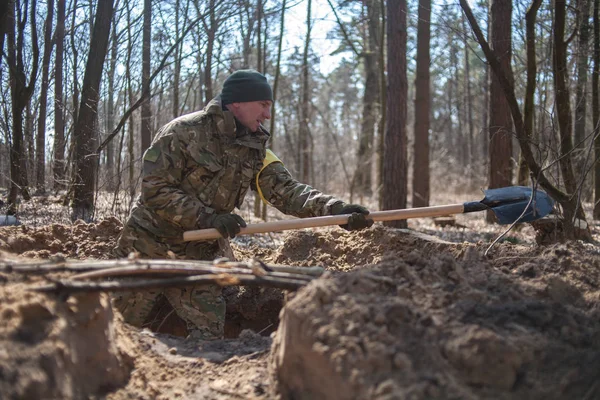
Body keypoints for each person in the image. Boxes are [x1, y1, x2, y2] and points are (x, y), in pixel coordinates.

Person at [114, 69, 373, 340]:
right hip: (146, 245)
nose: (267, 115)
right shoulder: (182, 132)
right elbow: (156, 190)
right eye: (263, 105)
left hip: (196, 253)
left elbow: (286, 191)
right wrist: (207, 217)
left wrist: (337, 210)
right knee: (116, 327)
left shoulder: (255, 147)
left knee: (210, 332)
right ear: (237, 102)